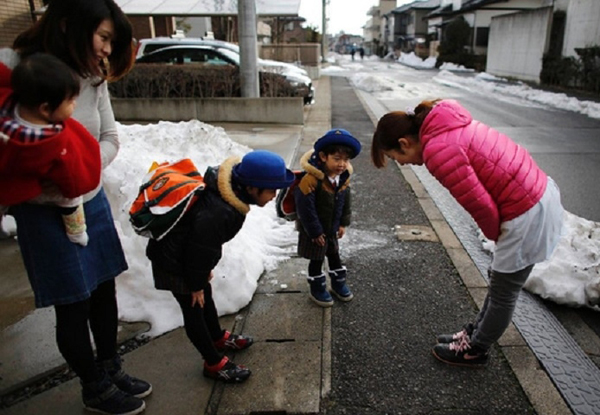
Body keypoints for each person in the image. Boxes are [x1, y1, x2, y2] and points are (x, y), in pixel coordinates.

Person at [0, 0, 152, 414]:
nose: (107, 50)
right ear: (70, 26)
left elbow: (110, 138)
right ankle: (94, 387)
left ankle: (110, 366)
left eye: (112, 42)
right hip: (41, 212)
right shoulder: (16, 67)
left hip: (90, 199)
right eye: (103, 38)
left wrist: (77, 170)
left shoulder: (93, 78)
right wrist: (42, 179)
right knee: (73, 302)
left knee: (104, 289)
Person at [371, 99, 564, 367]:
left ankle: (475, 349)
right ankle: (476, 332)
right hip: (535, 194)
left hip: (526, 213)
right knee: (499, 283)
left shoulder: (438, 150)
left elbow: (481, 206)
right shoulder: (446, 127)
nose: (402, 164)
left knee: (503, 293)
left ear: (404, 143)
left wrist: (497, 237)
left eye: (396, 158)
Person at [146, 150, 295, 382]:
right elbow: (200, 248)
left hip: (189, 258)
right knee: (193, 309)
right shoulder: (219, 211)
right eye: (270, 190)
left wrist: (201, 276)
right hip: (175, 262)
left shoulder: (228, 195)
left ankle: (216, 336)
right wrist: (195, 282)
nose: (273, 196)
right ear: (251, 188)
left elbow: (203, 247)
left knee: (205, 296)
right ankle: (213, 363)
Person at [0, 53, 102, 247]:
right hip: (34, 187)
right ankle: (77, 232)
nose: (75, 104)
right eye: (71, 101)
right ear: (45, 109)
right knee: (69, 199)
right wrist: (75, 186)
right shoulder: (53, 142)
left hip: (7, 181)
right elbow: (72, 178)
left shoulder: (6, 105)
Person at [294, 129, 362, 307]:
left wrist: (343, 223)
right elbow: (305, 209)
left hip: (331, 228)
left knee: (334, 257)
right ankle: (317, 288)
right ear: (323, 157)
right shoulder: (311, 180)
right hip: (314, 230)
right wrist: (315, 231)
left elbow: (345, 203)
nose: (342, 164)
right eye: (337, 159)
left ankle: (338, 284)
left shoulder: (342, 179)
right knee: (316, 260)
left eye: (346, 160)